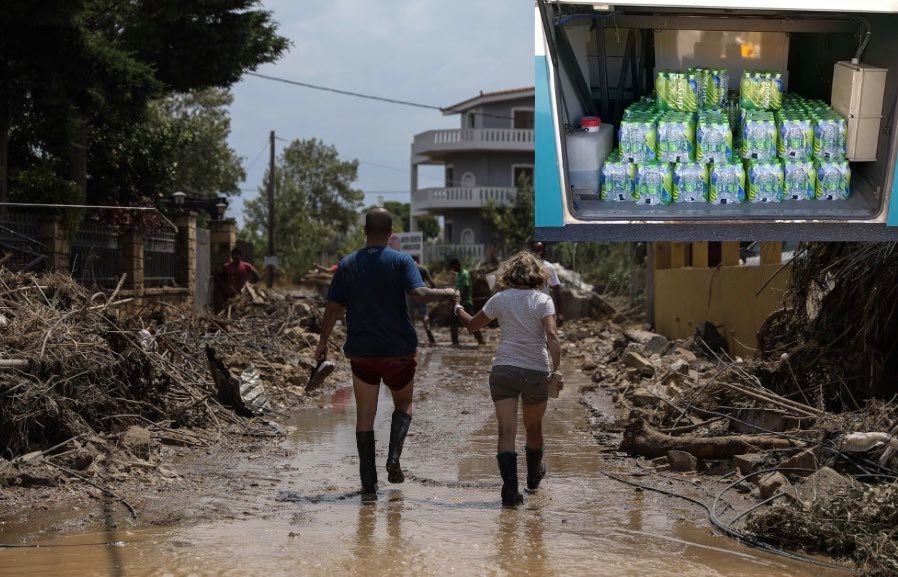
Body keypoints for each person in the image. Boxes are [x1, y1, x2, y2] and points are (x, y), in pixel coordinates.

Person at [315, 208, 458, 498]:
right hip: (398, 351)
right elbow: (419, 294)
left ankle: (369, 485)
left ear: (365, 231)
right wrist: (448, 292)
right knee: (404, 403)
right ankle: (393, 458)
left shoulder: (347, 264)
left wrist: (322, 343)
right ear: (390, 232)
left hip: (362, 352)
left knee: (364, 417)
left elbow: (332, 308)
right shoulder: (402, 260)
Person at [454, 251, 563, 507]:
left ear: (509, 274)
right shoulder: (543, 300)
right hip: (536, 370)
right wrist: (556, 370)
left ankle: (510, 492)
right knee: (533, 428)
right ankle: (533, 479)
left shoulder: (499, 299)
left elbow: (471, 326)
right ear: (538, 275)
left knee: (506, 430)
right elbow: (552, 336)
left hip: (504, 370)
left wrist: (458, 307)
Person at [449, 258, 484, 346]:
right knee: (454, 322)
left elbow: (466, 288)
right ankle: (455, 342)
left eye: (453, 267)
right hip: (458, 303)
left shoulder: (464, 274)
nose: (452, 269)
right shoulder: (458, 275)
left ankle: (481, 341)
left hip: (465, 303)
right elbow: (458, 289)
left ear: (457, 265)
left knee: (471, 322)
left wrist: (459, 302)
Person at [529, 241, 564, 327]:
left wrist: (560, 313)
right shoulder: (525, 268)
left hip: (544, 305)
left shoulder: (549, 267)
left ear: (544, 251)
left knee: (547, 333)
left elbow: (557, 291)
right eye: (535, 250)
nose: (538, 252)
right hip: (528, 306)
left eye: (540, 249)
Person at [409, 255, 437, 346]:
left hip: (410, 294)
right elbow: (432, 283)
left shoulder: (406, 268)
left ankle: (413, 340)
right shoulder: (423, 268)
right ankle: (430, 337)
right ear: (418, 260)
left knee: (410, 317)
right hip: (422, 293)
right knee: (424, 316)